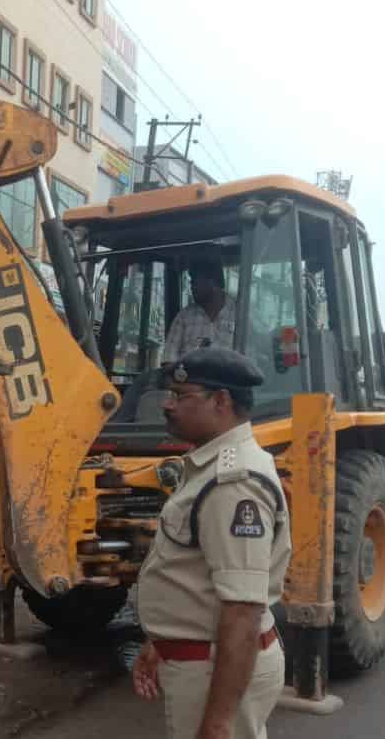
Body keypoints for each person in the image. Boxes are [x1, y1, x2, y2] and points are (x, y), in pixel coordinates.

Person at [131, 348, 292, 739]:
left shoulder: (233, 483)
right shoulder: (210, 467)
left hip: (213, 668)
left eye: (181, 396)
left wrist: (219, 722)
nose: (167, 405)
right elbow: (194, 576)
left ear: (221, 401)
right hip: (202, 659)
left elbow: (242, 610)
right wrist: (159, 643)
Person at [160, 261, 238, 365]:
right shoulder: (184, 316)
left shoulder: (239, 315)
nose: (191, 287)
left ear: (213, 283)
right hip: (190, 379)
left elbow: (250, 362)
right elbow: (168, 359)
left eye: (194, 282)